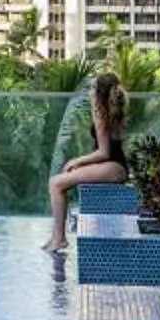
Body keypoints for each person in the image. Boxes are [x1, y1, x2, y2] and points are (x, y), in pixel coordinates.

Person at [43, 70, 131, 254]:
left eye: (92, 88)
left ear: (98, 92)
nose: (90, 92)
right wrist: (81, 164)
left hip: (114, 167)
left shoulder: (100, 113)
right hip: (117, 166)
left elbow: (104, 152)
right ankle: (57, 236)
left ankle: (59, 238)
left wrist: (77, 161)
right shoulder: (113, 111)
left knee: (55, 183)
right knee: (62, 181)